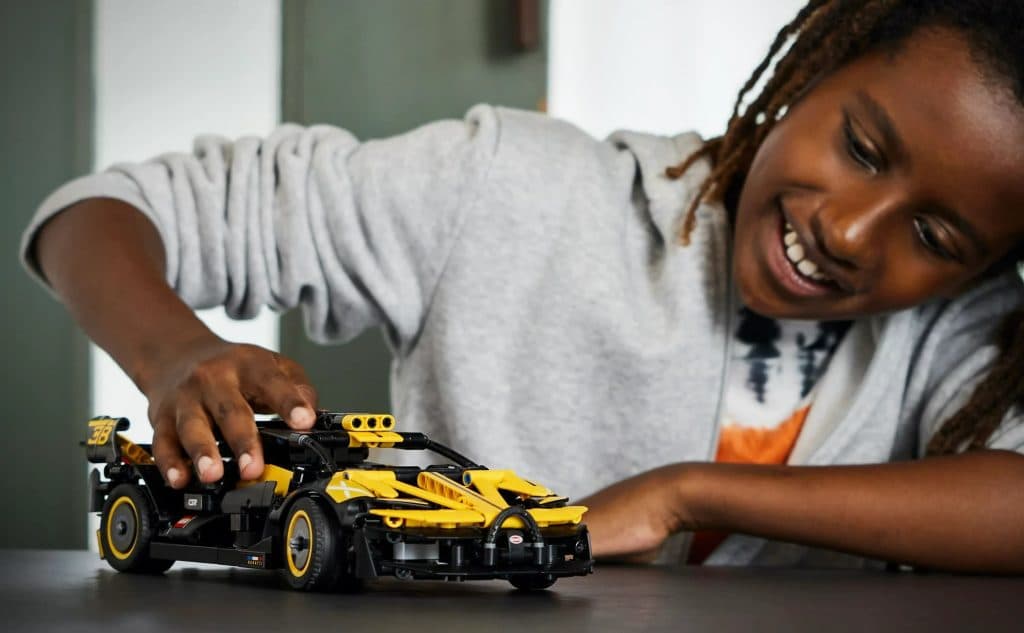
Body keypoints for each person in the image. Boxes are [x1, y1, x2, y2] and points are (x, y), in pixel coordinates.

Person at [21, 0, 1024, 572]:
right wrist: (176, 353)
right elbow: (101, 211)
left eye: (935, 234)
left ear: (986, 263)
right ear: (821, 62)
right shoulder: (508, 187)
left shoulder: (962, 342)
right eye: (859, 145)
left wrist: (680, 496)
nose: (848, 229)